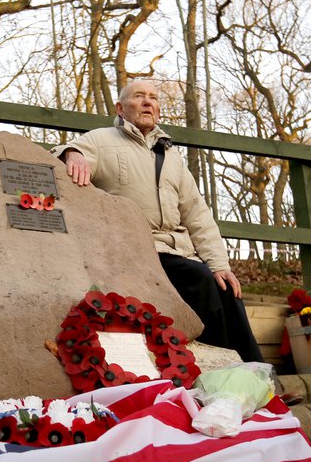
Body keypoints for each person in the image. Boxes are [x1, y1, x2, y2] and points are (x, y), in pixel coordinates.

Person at [51, 79, 264, 363]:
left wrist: (220, 265)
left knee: (227, 287)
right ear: (121, 108)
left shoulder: (172, 156)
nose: (147, 102)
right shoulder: (102, 140)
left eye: (152, 97)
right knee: (199, 279)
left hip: (178, 251)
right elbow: (64, 151)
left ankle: (261, 376)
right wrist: (72, 154)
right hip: (136, 249)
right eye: (138, 97)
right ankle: (231, 374)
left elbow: (197, 214)